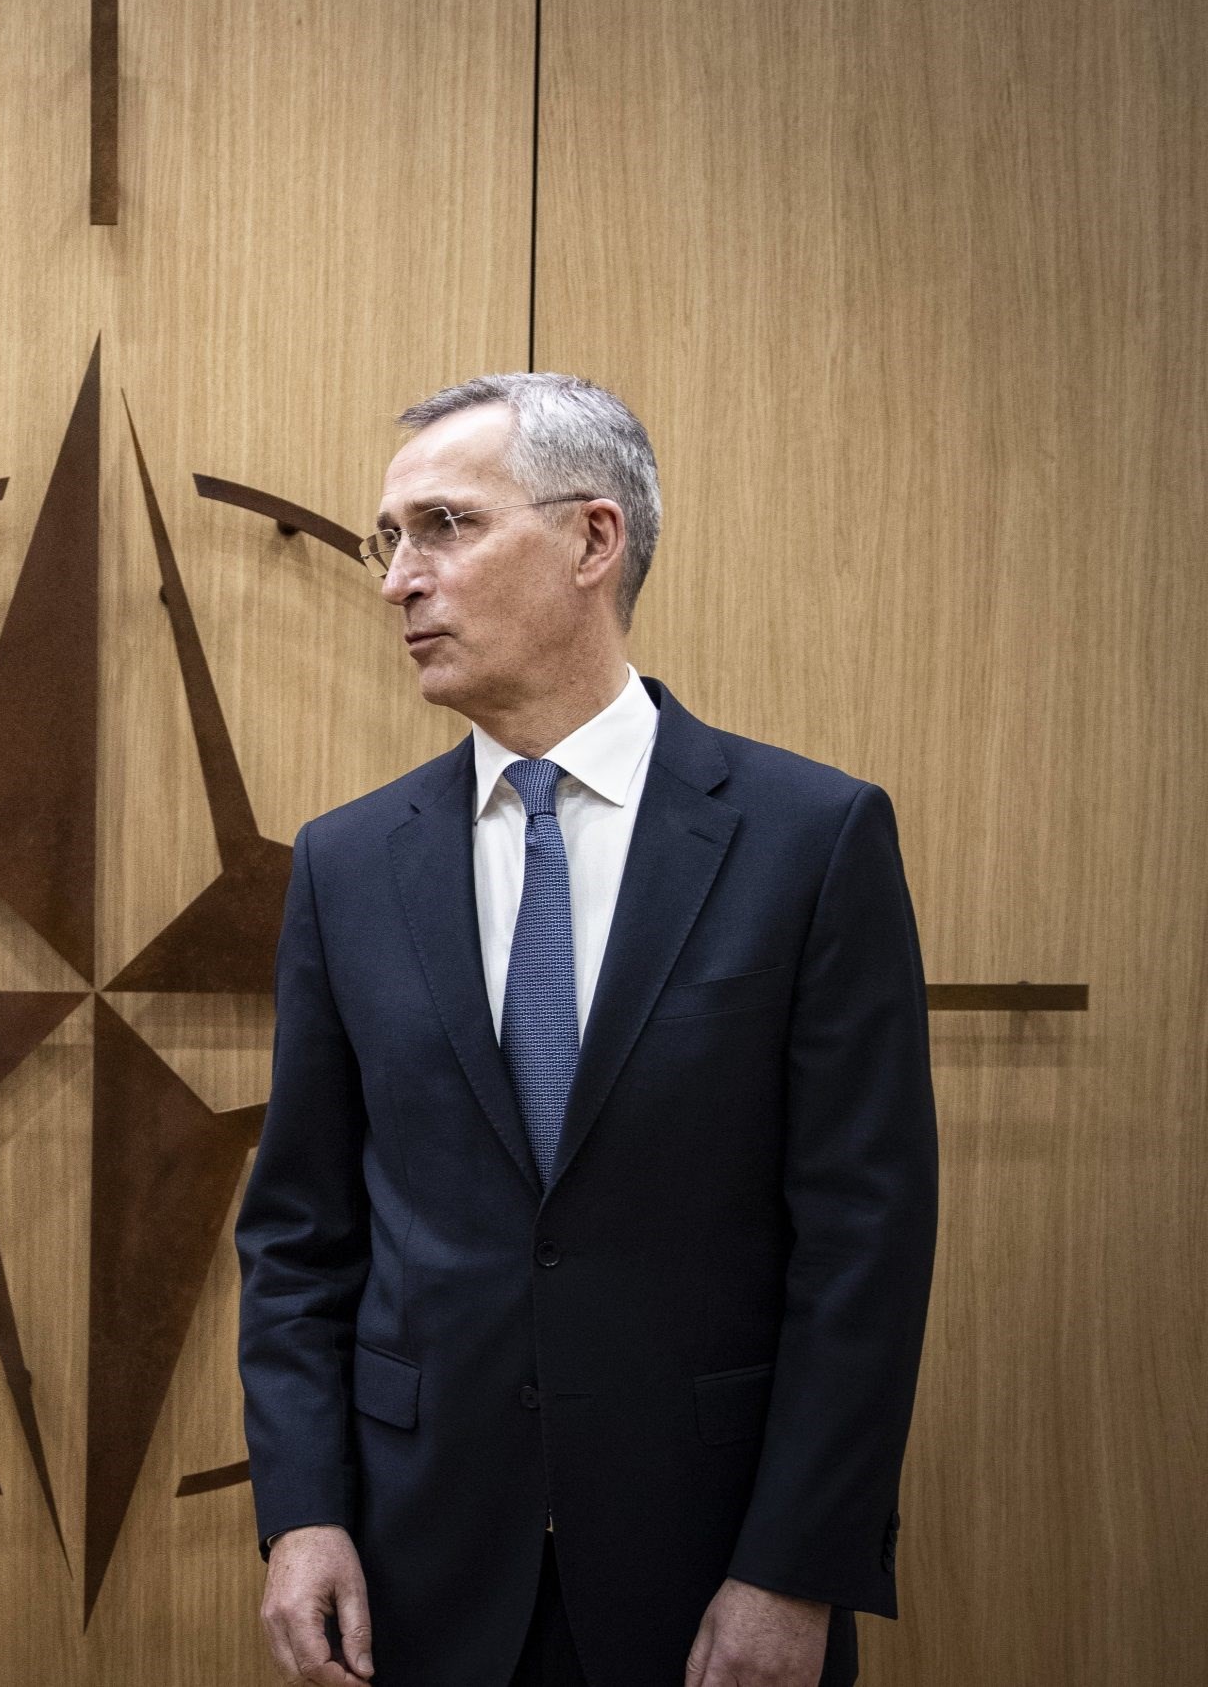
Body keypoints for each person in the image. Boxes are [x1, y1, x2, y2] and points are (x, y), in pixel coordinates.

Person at [236, 376, 936, 1687]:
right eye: (388, 539)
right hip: (416, 1566)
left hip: (713, 1567)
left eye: (443, 525)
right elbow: (299, 1233)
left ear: (592, 541)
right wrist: (304, 1510)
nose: (399, 580)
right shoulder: (346, 864)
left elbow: (865, 1246)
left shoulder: (810, 840)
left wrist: (795, 1565)